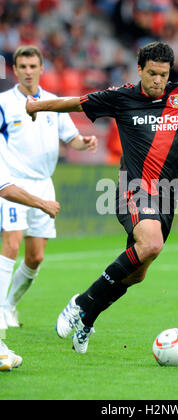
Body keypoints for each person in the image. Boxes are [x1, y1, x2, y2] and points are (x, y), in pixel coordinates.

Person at [26, 42, 178, 354]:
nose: (158, 80)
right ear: (140, 69)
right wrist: (37, 107)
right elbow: (76, 103)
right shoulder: (122, 97)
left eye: (163, 74)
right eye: (152, 73)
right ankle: (81, 302)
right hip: (133, 189)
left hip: (167, 197)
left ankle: (88, 317)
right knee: (151, 244)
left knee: (138, 273)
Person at [0, 45, 98, 330]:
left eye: (33, 66)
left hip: (44, 184)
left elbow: (72, 138)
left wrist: (85, 143)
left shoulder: (55, 102)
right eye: (23, 67)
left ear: (42, 69)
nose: (28, 72)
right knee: (11, 244)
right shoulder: (4, 103)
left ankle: (9, 305)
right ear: (15, 70)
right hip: (13, 184)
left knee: (35, 257)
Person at [0, 162, 60, 371]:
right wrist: (43, 204)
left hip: (37, 187)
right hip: (26, 194)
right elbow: (6, 189)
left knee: (34, 256)